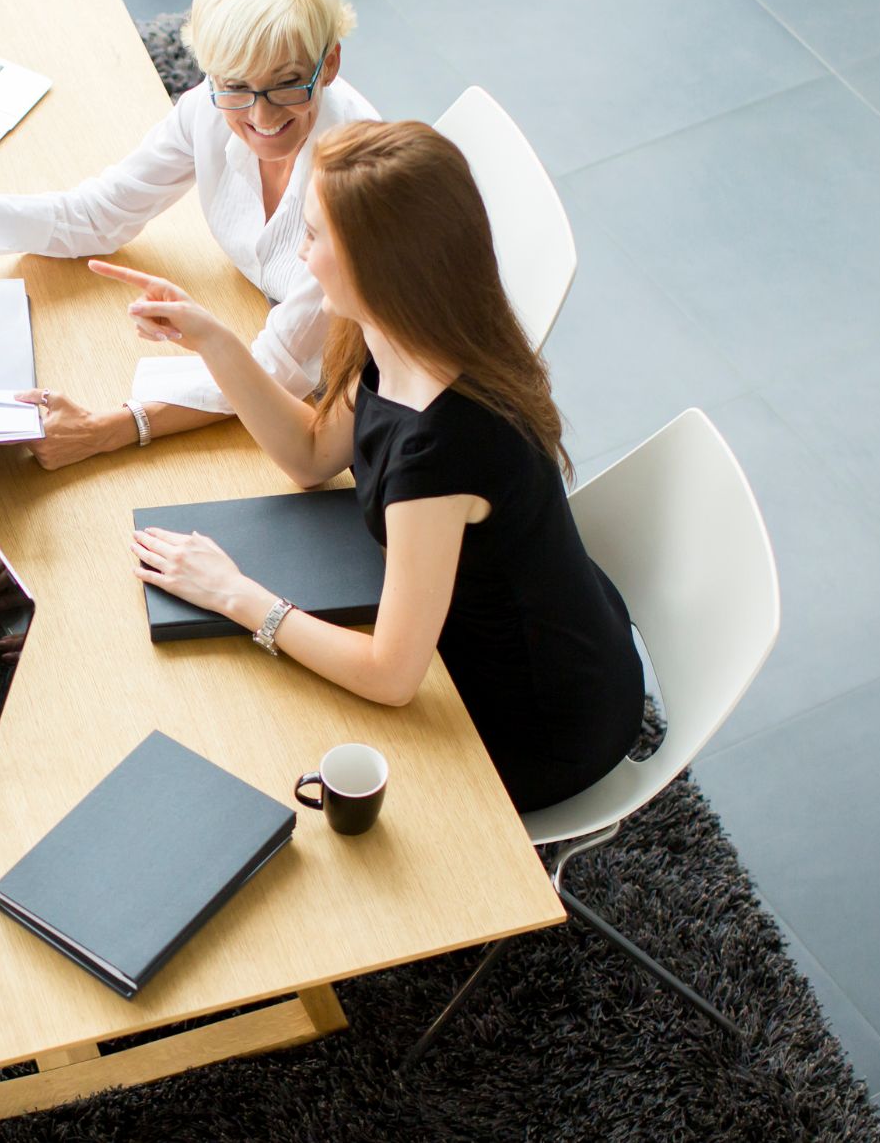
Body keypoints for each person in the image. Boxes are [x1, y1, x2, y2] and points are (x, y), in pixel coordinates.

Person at [103, 121, 641, 813]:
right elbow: (310, 455)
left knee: (259, 739)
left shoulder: (441, 451)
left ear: (377, 263)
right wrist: (209, 338)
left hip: (532, 719)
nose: (301, 251)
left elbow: (392, 677)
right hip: (510, 623)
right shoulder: (395, 333)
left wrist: (236, 595)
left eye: (317, 235)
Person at [0, 0, 378, 469]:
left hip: (352, 378)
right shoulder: (209, 110)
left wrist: (111, 429)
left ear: (328, 63)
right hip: (255, 317)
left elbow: (279, 370)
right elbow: (98, 214)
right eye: (235, 85)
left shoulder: (355, 190)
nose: (260, 115)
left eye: (286, 84)